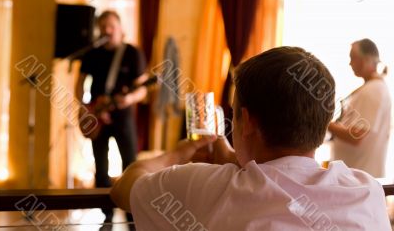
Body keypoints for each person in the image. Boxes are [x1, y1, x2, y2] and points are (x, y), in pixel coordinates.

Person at [110, 47, 390, 230]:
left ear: (248, 122)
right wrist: (237, 159)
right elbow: (280, 176)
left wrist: (179, 154)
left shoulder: (207, 187)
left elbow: (124, 188)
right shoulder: (367, 193)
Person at [76, 10, 148, 223]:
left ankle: (132, 214)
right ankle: (105, 216)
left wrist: (129, 99)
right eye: (103, 26)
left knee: (131, 165)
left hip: (123, 117)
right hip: (97, 115)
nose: (107, 30)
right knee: (100, 165)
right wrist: (83, 107)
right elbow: (80, 83)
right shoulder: (92, 53)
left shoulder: (132, 53)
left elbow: (142, 89)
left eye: (111, 26)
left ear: (120, 28)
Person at [328, 38, 391, 178]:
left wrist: (325, 124)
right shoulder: (373, 87)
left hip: (358, 179)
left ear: (366, 59)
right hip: (357, 177)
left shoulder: (374, 90)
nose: (350, 63)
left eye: (353, 58)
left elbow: (356, 135)